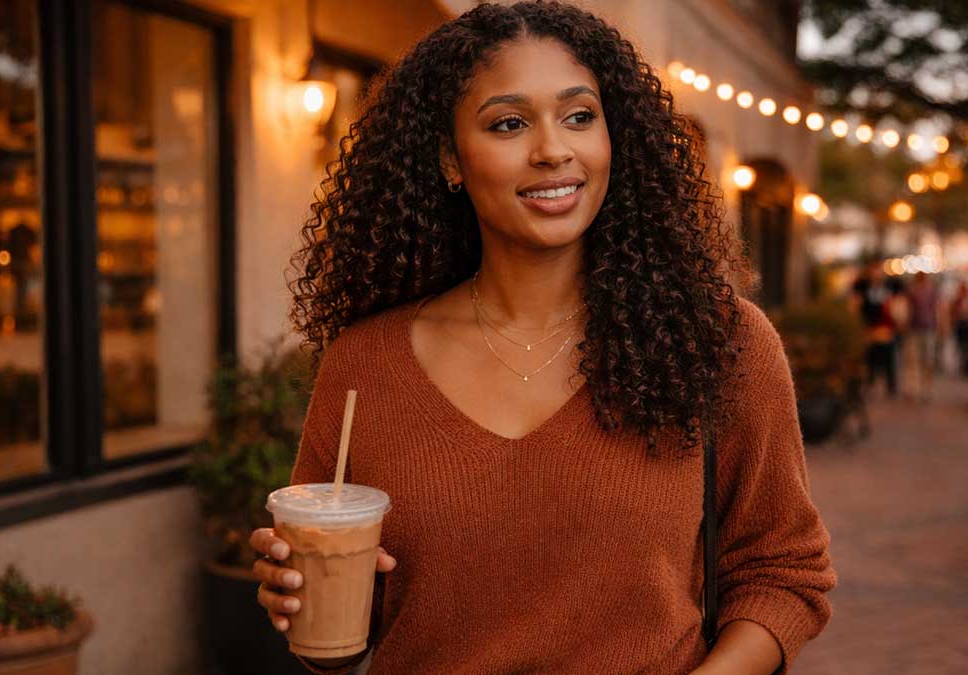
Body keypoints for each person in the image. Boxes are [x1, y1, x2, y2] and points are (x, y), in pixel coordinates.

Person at [248, 3, 835, 674]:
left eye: (580, 116)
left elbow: (782, 572)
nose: (554, 149)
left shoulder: (719, 342)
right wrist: (303, 599)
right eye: (509, 123)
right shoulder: (366, 362)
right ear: (450, 158)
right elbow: (342, 641)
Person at [850, 261, 898, 399]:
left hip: (886, 329)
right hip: (869, 329)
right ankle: (870, 384)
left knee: (889, 359)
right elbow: (856, 306)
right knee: (870, 359)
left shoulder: (888, 288)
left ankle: (891, 387)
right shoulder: (863, 288)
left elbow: (894, 308)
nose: (876, 276)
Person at [903, 272, 940, 401]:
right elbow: (908, 309)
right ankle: (915, 389)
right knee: (916, 360)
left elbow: (936, 309)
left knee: (924, 360)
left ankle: (924, 389)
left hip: (926, 328)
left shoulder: (930, 291)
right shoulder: (913, 291)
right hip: (918, 328)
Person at [951, 279, 968, 373]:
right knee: (960, 345)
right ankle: (962, 363)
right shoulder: (957, 301)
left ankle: (966, 364)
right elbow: (953, 313)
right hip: (960, 324)